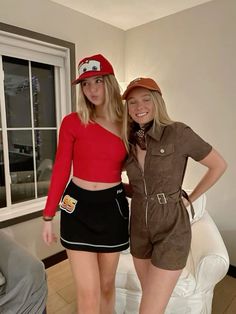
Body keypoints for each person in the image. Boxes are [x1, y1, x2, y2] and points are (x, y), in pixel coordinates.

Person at [122, 77, 227, 314]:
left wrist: (191, 197)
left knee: (148, 310)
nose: (139, 107)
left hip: (172, 229)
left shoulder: (178, 132)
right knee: (150, 298)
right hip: (138, 227)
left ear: (157, 101)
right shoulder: (127, 140)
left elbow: (218, 165)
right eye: (132, 102)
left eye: (146, 99)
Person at [42, 54, 129, 314]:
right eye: (86, 84)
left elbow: (139, 168)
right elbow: (60, 169)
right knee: (87, 293)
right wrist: (48, 216)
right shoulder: (72, 122)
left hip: (112, 209)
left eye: (98, 81)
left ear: (110, 82)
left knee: (105, 286)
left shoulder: (128, 124)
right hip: (76, 208)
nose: (91, 90)